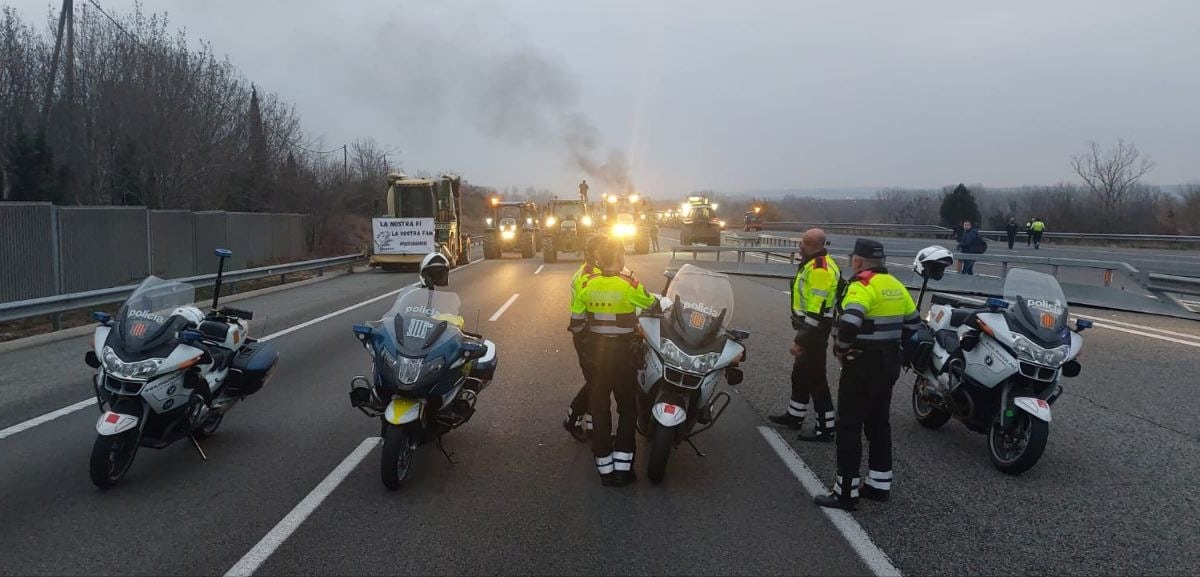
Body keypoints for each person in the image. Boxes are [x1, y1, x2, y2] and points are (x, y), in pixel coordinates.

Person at [815, 239, 920, 511]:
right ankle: (879, 484)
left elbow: (850, 321)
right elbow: (914, 325)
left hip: (862, 364)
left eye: (853, 259)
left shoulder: (861, 286)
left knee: (849, 425)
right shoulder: (897, 286)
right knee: (878, 423)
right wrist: (899, 353)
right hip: (888, 366)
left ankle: (846, 493)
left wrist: (841, 349)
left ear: (858, 261)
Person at [569, 238, 657, 487]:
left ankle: (605, 470)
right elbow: (653, 305)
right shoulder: (629, 285)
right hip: (624, 357)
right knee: (627, 409)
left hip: (596, 357)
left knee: (599, 409)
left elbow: (576, 323)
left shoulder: (587, 284)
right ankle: (623, 469)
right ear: (619, 258)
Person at [768, 228, 841, 442]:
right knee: (800, 375)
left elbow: (816, 311)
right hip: (810, 328)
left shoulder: (820, 269)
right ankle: (795, 415)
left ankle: (825, 428)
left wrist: (800, 340)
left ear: (816, 245)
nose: (800, 246)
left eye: (804, 242)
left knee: (816, 379)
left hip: (814, 330)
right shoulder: (813, 263)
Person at [563, 234, 612, 442]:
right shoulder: (587, 275)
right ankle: (573, 417)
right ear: (595, 253)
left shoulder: (601, 271)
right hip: (587, 335)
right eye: (606, 250)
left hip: (600, 334)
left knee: (602, 381)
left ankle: (593, 425)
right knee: (598, 382)